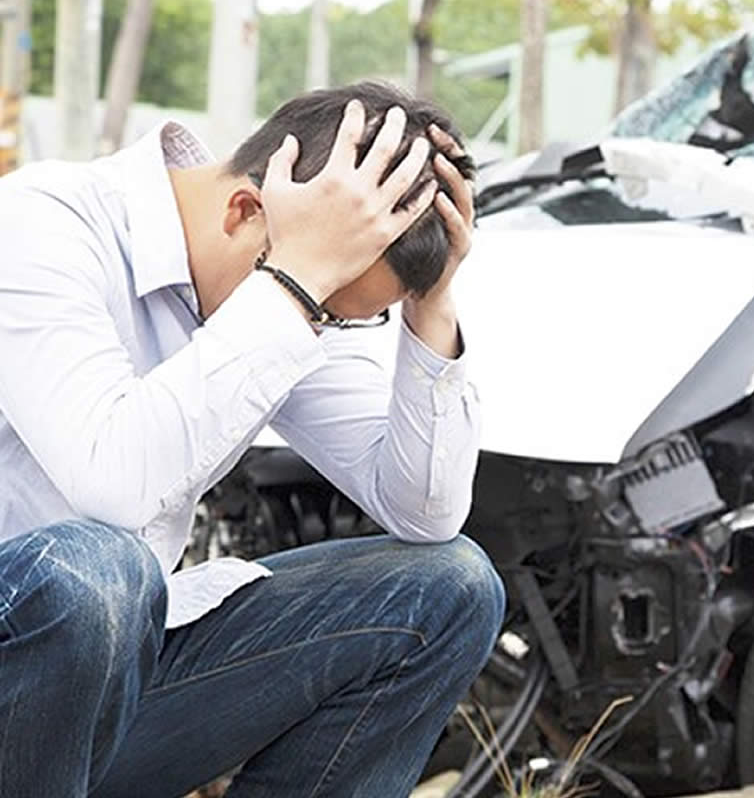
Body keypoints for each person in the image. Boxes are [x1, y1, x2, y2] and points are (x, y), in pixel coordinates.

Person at [0, 81, 503, 797]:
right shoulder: (42, 222)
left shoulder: (293, 280)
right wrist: (295, 285)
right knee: (99, 570)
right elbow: (111, 484)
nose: (316, 326)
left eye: (336, 316)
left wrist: (433, 302)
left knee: (450, 586)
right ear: (245, 210)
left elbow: (425, 510)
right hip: (20, 657)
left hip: (101, 697)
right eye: (321, 307)